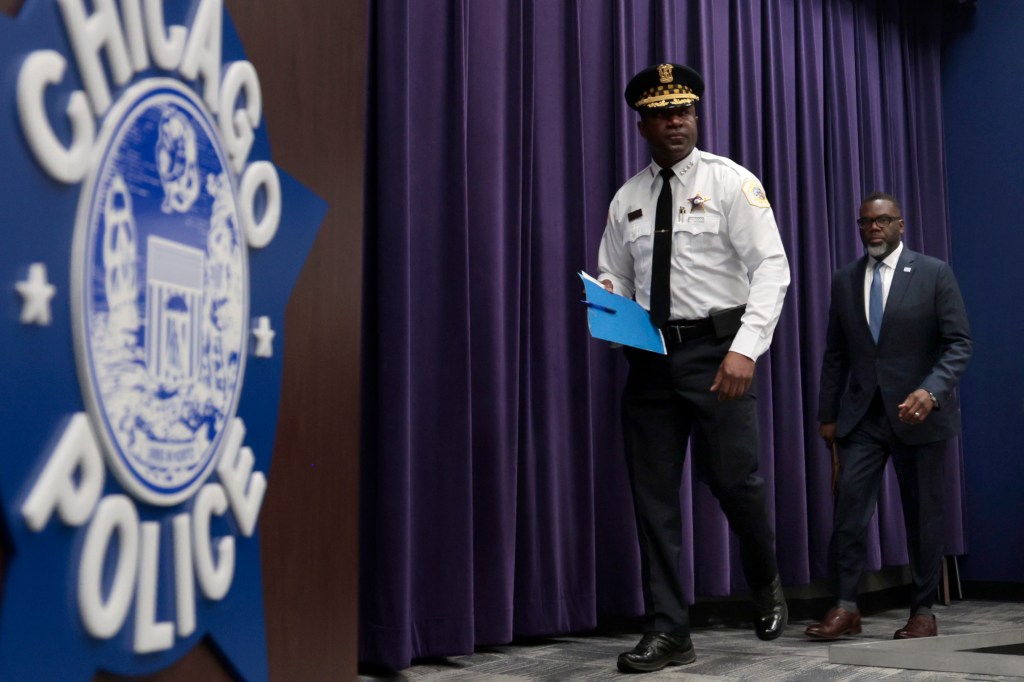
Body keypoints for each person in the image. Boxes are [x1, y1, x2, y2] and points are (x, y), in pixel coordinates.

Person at [597, 63, 790, 674]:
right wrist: (609, 299)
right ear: (643, 123)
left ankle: (765, 580)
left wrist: (746, 348)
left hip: (718, 352)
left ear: (696, 116)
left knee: (736, 483)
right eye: (662, 112)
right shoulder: (626, 199)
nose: (675, 120)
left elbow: (772, 269)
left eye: (684, 109)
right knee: (653, 501)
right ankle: (670, 630)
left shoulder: (731, 183)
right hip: (652, 359)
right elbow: (616, 275)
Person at [807, 191, 972, 641]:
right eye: (865, 223)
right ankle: (845, 606)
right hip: (862, 418)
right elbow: (836, 354)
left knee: (922, 516)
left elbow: (959, 344)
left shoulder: (934, 273)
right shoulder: (845, 279)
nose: (873, 229)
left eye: (882, 221)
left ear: (901, 225)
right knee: (848, 513)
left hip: (919, 416)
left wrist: (931, 391)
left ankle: (923, 612)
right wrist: (828, 416)